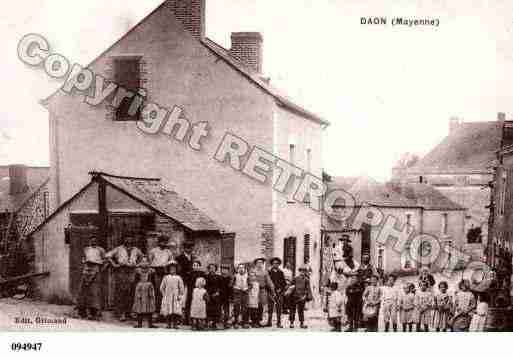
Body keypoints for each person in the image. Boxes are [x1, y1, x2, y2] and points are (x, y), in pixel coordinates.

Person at [105, 234, 143, 321]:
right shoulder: (119, 249)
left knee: (131, 292)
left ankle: (129, 312)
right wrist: (114, 264)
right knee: (122, 292)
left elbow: (142, 257)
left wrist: (137, 265)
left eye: (130, 238)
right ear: (124, 239)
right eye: (127, 238)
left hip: (132, 271)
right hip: (122, 271)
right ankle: (121, 313)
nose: (129, 240)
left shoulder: (136, 250)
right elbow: (107, 256)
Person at [77, 236, 106, 320]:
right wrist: (85, 264)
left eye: (95, 240)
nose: (93, 242)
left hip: (96, 270)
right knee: (84, 290)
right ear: (89, 241)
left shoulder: (101, 250)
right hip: (86, 270)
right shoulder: (86, 249)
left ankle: (96, 312)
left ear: (97, 241)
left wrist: (100, 268)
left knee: (95, 291)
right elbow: (83, 259)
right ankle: (84, 311)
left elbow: (105, 260)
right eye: (91, 240)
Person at [149, 235, 174, 318]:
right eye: (161, 242)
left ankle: (163, 312)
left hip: (165, 272)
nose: (163, 243)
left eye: (165, 242)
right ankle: (155, 311)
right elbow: (149, 262)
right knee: (157, 291)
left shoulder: (168, 252)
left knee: (165, 291)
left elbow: (171, 263)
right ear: (158, 242)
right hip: (156, 272)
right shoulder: (153, 251)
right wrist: (152, 269)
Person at [132, 256, 156, 328]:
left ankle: (150, 324)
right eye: (143, 261)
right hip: (140, 289)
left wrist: (152, 290)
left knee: (150, 305)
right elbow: (135, 281)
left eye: (146, 261)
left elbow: (153, 281)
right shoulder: (138, 271)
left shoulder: (151, 271)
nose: (144, 263)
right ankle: (139, 323)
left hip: (149, 289)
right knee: (139, 305)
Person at [175, 240, 196, 324]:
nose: (189, 249)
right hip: (182, 281)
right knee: (181, 299)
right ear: (184, 248)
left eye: (191, 248)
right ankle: (179, 318)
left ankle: (187, 318)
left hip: (190, 281)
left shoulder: (193, 258)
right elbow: (178, 270)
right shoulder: (179, 258)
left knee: (189, 299)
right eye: (187, 248)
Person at [160, 262, 184, 329]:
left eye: (174, 268)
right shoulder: (166, 277)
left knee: (175, 311)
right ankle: (168, 323)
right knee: (168, 310)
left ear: (176, 269)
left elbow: (181, 288)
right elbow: (162, 287)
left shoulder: (178, 277)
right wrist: (164, 295)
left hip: (176, 297)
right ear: (168, 269)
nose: (172, 270)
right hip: (168, 296)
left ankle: (175, 324)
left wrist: (180, 295)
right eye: (171, 269)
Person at [289, 264, 313, 329]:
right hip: (294, 296)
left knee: (301, 311)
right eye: (301, 271)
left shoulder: (306, 280)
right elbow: (290, 286)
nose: (303, 272)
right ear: (299, 271)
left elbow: (308, 289)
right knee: (292, 310)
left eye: (304, 271)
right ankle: (291, 323)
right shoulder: (295, 278)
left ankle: (301, 323)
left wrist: (307, 296)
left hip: (302, 297)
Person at [253, 257, 275, 326]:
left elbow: (269, 282)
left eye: (261, 263)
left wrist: (273, 290)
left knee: (260, 305)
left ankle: (259, 320)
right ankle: (254, 321)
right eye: (258, 263)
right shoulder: (252, 271)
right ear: (256, 264)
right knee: (253, 306)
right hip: (253, 291)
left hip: (262, 291)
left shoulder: (265, 272)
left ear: (263, 264)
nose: (259, 264)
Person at [267, 257, 286, 328]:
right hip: (271, 292)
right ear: (272, 264)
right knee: (270, 308)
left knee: (279, 308)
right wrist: (271, 290)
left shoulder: (281, 272)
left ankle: (278, 322)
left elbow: (284, 283)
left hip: (279, 293)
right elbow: (267, 282)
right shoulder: (269, 272)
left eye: (277, 263)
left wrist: (280, 289)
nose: (276, 265)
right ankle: (269, 322)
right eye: (274, 263)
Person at [184, 260, 205, 325]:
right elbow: (187, 283)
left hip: (199, 291)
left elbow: (204, 282)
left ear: (200, 266)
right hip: (191, 290)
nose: (195, 267)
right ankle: (188, 320)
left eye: (197, 265)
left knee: (198, 305)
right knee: (189, 304)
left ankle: (198, 320)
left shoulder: (202, 274)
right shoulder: (190, 273)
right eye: (194, 265)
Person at [232, 263, 250, 329]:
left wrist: (247, 289)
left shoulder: (247, 276)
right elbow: (231, 284)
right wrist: (235, 288)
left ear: (245, 269)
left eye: (242, 268)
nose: (241, 269)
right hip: (237, 293)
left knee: (244, 308)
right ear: (237, 269)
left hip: (245, 293)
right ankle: (236, 322)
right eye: (240, 268)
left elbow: (250, 285)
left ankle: (244, 322)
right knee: (236, 307)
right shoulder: (235, 276)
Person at [205, 263, 222, 329]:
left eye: (213, 268)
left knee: (216, 309)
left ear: (215, 269)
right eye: (210, 268)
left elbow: (221, 286)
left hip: (216, 295)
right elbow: (205, 285)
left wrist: (218, 292)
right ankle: (208, 323)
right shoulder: (206, 276)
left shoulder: (218, 277)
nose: (212, 269)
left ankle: (214, 323)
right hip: (208, 295)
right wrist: (207, 293)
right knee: (208, 309)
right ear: (208, 269)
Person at [219, 264, 233, 329]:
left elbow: (231, 288)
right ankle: (220, 321)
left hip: (227, 296)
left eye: (226, 270)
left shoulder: (229, 278)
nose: (224, 271)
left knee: (226, 309)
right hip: (220, 296)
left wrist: (231, 296)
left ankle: (226, 322)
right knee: (220, 309)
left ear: (228, 271)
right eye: (223, 269)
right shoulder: (219, 277)